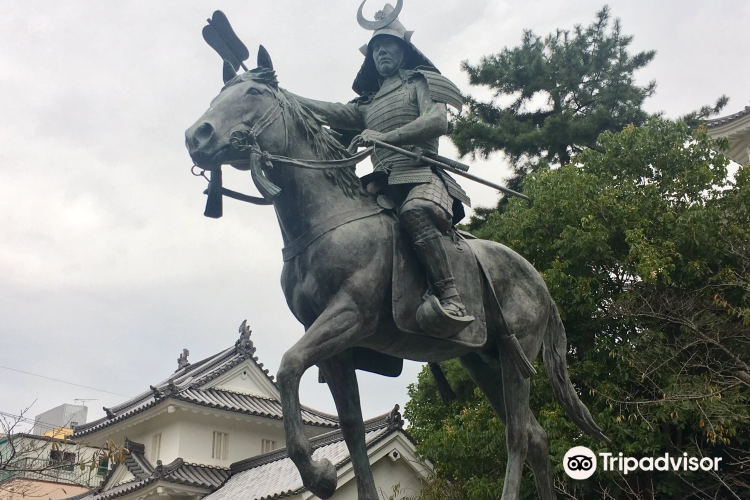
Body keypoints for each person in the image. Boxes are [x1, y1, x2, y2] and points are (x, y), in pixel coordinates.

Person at [296, 2, 474, 335]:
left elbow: (436, 121)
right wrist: (286, 98)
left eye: (389, 46)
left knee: (415, 213)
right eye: (376, 49)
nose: (382, 53)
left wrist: (386, 136)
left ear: (404, 51)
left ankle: (451, 297)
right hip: (382, 184)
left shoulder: (420, 83)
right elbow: (331, 112)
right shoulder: (367, 104)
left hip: (422, 176)